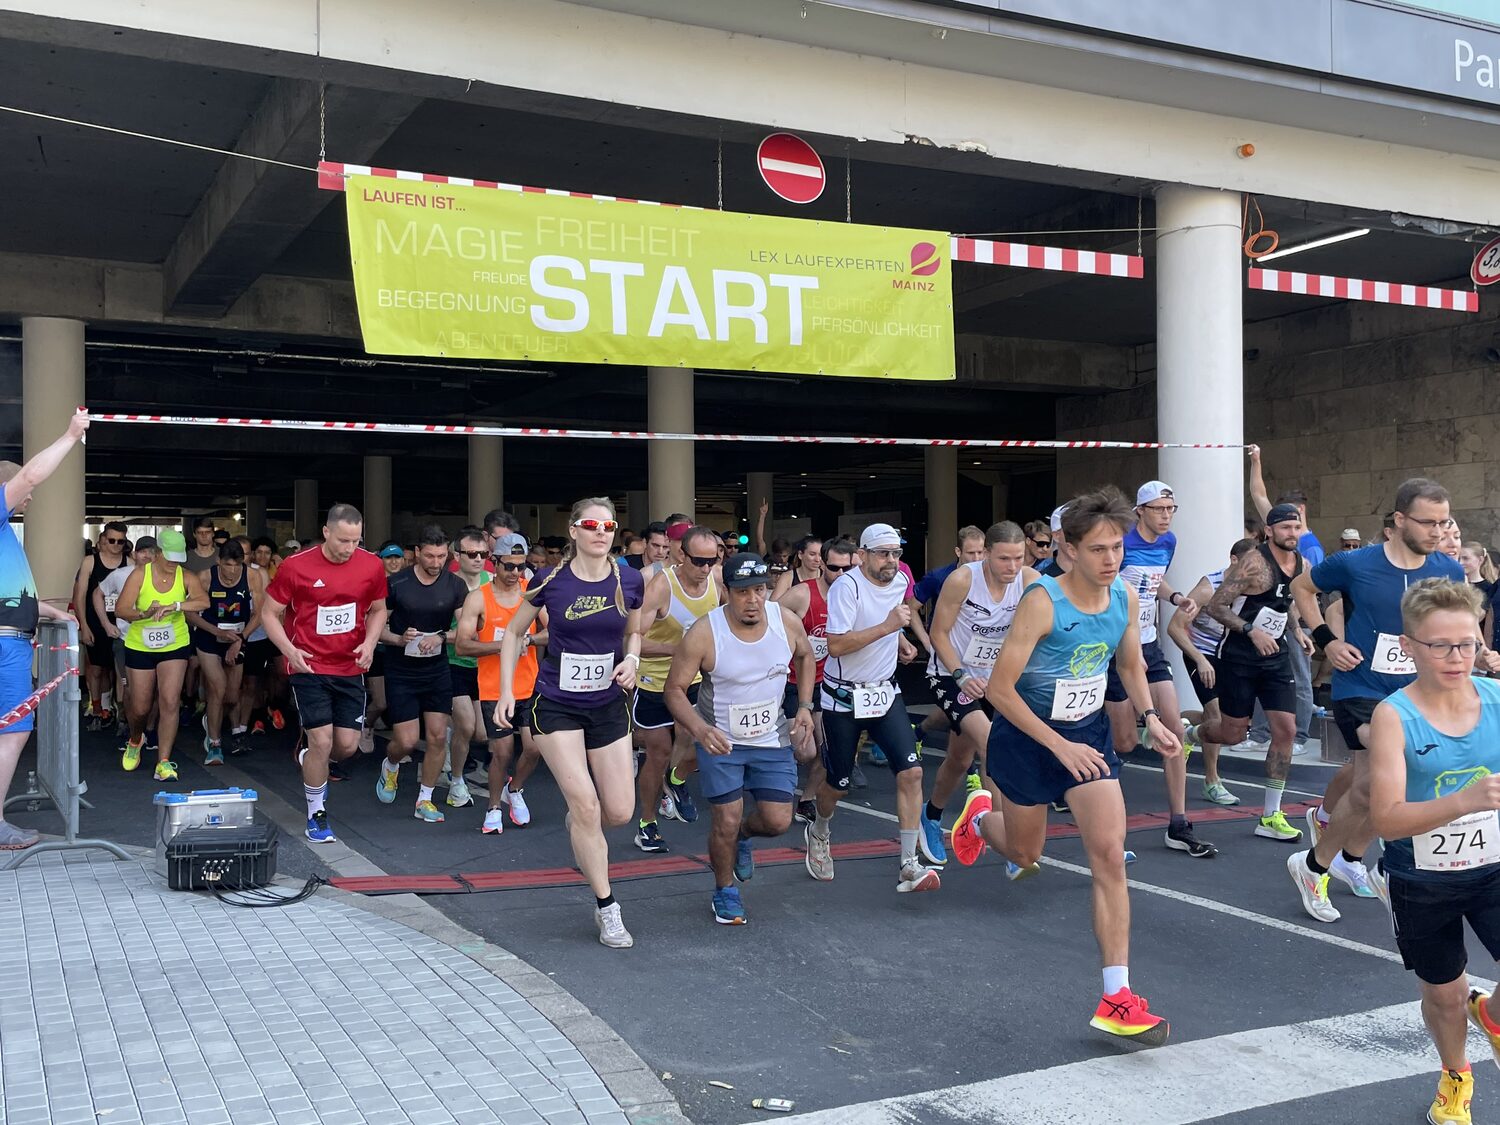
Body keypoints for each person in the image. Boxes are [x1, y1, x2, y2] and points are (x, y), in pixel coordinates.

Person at [949, 487, 1182, 1047]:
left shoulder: (1124, 596)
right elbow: (1001, 692)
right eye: (1099, 549)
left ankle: (1116, 997)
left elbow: (1129, 663)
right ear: (1068, 550)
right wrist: (1058, 745)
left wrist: (1150, 716)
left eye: (1117, 548)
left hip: (1087, 737)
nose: (1112, 559)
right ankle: (981, 818)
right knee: (1027, 853)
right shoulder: (1043, 601)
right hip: (1028, 738)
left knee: (1109, 857)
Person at [1288, 478, 1470, 922]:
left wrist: (1476, 653)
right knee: (1376, 779)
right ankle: (1314, 867)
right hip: (1361, 687)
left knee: (1384, 786)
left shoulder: (1449, 569)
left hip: (1416, 691)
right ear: (1400, 520)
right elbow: (1301, 588)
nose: (1437, 531)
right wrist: (1328, 641)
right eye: (1427, 522)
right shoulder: (1355, 563)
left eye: (1443, 521)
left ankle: (1349, 858)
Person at [1367, 578, 1500, 1125]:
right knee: (1446, 994)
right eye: (1440, 645)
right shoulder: (1393, 717)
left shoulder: (1496, 701)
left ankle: (1489, 1014)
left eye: (1467, 643)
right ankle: (1455, 1075)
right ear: (1409, 646)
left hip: (1493, 869)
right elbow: (1386, 817)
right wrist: (1466, 799)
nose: (1456, 657)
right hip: (1422, 879)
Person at [495, 497, 645, 948]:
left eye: (609, 525)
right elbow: (515, 633)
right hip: (556, 703)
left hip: (606, 703)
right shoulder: (549, 580)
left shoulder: (629, 578)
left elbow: (634, 630)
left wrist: (633, 658)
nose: (602, 532)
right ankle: (607, 908)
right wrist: (507, 690)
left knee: (617, 812)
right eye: (591, 524)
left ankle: (581, 823)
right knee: (586, 806)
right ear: (574, 530)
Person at [666, 552, 817, 924]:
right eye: (742, 592)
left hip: (772, 738)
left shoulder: (786, 621)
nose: (753, 600)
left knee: (778, 821)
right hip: (722, 741)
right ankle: (724, 890)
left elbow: (807, 656)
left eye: (759, 590)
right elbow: (674, 690)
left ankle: (745, 838)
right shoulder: (704, 632)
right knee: (725, 821)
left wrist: (804, 706)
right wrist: (701, 730)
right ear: (726, 592)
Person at [804, 523, 937, 893]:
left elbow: (892, 624)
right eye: (883, 553)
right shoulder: (847, 588)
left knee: (911, 772)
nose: (891, 561)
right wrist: (888, 628)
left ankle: (909, 863)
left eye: (896, 553)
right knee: (838, 783)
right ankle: (820, 829)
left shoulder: (900, 582)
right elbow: (837, 646)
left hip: (885, 693)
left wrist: (899, 643)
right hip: (843, 697)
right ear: (862, 556)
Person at [261, 503, 388, 843]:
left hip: (350, 666)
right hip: (310, 666)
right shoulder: (295, 567)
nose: (350, 549)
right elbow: (269, 613)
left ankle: (310, 758)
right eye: (343, 541)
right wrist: (290, 650)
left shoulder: (371, 565)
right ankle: (317, 814)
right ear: (327, 533)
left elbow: (378, 609)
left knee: (346, 748)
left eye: (356, 542)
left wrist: (371, 644)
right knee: (322, 740)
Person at [1187, 506, 1313, 841]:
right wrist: (1250, 631)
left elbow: (1289, 602)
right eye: (1285, 527)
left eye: (1296, 527)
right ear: (1269, 531)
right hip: (1240, 657)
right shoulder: (1253, 563)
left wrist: (1297, 632)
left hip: (1276, 657)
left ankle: (1271, 814)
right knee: (1233, 734)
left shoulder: (1303, 564)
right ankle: (1190, 735)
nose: (1292, 533)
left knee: (1285, 729)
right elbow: (1216, 606)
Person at [1103, 481, 1214, 857]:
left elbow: (1154, 581)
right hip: (1115, 648)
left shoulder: (1169, 543)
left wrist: (1175, 596)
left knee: (1173, 728)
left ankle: (1178, 823)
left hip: (1148, 643)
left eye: (1171, 508)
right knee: (1124, 743)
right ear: (1140, 512)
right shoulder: (1121, 544)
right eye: (1159, 508)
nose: (1166, 515)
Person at [918, 521, 1035, 865]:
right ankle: (1008, 840)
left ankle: (932, 814)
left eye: (1018, 558)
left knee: (959, 759)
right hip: (951, 675)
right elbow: (938, 633)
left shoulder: (1029, 581)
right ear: (985, 554)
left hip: (995, 680)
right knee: (992, 745)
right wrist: (960, 673)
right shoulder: (963, 580)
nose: (1012, 567)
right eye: (1003, 559)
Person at [0, 408, 90, 849]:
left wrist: (53, 614)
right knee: (13, 731)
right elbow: (31, 477)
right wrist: (71, 435)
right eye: (20, 491)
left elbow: (11, 594)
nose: (30, 497)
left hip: (11, 641)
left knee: (11, 730)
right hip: (5, 649)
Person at [632, 525, 721, 852]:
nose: (706, 568)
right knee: (658, 754)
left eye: (713, 560)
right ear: (681, 554)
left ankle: (678, 780)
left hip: (695, 681)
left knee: (704, 742)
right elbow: (635, 639)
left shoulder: (715, 579)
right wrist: (681, 650)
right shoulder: (661, 586)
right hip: (655, 680)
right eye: (699, 561)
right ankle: (646, 822)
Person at [374, 524, 470, 823]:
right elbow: (377, 628)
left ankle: (424, 799)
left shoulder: (455, 585)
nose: (436, 563)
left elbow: (463, 629)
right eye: (429, 556)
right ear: (417, 554)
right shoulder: (397, 583)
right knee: (406, 741)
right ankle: (390, 766)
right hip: (401, 669)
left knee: (438, 736)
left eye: (441, 556)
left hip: (437, 669)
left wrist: (440, 636)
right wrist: (400, 638)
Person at [457, 532, 546, 833]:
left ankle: (515, 789)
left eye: (521, 567)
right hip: (495, 686)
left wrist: (530, 638)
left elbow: (555, 630)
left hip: (529, 684)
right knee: (502, 752)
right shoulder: (478, 597)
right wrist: (505, 644)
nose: (516, 573)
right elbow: (462, 645)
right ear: (495, 563)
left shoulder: (530, 592)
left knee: (534, 749)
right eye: (509, 566)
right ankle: (494, 805)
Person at [1164, 538, 1257, 806]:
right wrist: (1199, 660)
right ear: (1234, 560)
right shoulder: (1208, 587)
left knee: (1223, 719)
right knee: (1216, 715)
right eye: (1250, 563)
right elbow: (1175, 627)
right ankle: (1212, 782)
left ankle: (1181, 724)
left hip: (1228, 655)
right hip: (1200, 652)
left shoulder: (1252, 588)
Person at [117, 528, 209, 781]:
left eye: (178, 559)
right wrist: (144, 614)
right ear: (157, 554)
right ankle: (136, 739)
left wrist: (176, 605)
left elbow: (203, 601)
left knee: (169, 701)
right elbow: (121, 609)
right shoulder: (139, 575)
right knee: (140, 706)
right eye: (169, 558)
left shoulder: (186, 576)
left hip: (174, 644)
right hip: (140, 645)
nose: (173, 564)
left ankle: (164, 761)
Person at [776, 536, 853, 822]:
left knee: (829, 747)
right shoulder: (803, 594)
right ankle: (773, 772)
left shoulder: (852, 596)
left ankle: (806, 800)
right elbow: (769, 619)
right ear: (822, 564)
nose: (841, 576)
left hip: (830, 681)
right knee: (805, 752)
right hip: (794, 681)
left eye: (847, 570)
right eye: (835, 569)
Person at [185, 539, 255, 765]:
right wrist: (216, 631)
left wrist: (240, 639)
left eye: (237, 565)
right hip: (208, 638)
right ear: (218, 562)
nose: (232, 571)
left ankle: (211, 720)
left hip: (237, 637)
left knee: (232, 695)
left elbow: (261, 613)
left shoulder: (253, 577)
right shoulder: (205, 577)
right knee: (217, 688)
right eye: (227, 565)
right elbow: (190, 613)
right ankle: (214, 743)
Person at [444, 526, 492, 808]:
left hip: (485, 663)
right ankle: (457, 782)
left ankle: (446, 744)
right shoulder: (448, 585)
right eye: (472, 554)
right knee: (467, 724)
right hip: (454, 661)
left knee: (482, 733)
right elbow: (445, 631)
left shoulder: (494, 581)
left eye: (483, 554)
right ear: (457, 554)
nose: (478, 559)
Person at [73, 521, 129, 729]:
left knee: (118, 670)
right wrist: (84, 626)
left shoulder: (129, 563)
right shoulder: (90, 561)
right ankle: (97, 708)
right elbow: (80, 596)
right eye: (112, 540)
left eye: (120, 541)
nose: (115, 545)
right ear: (104, 539)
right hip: (95, 622)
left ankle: (119, 712)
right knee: (96, 669)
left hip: (122, 624)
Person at [1460, 542, 1496, 648]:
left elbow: (1479, 616)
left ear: (1480, 560)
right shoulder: (1453, 582)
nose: (1460, 562)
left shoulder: (1488, 587)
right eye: (1459, 558)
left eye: (1466, 558)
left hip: (1476, 642)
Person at [770, 535, 823, 599]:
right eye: (812, 554)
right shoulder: (787, 577)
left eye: (820, 555)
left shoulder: (826, 576)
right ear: (800, 555)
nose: (817, 559)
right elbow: (773, 605)